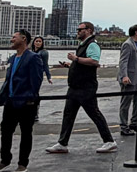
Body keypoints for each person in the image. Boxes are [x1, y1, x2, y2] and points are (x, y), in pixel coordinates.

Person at [45, 21, 116, 154]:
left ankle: (109, 141)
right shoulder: (83, 45)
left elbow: (94, 61)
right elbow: (84, 63)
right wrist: (71, 65)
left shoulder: (92, 45)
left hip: (85, 87)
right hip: (75, 87)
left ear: (88, 31)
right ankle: (62, 143)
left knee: (94, 113)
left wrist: (75, 59)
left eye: (80, 29)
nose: (77, 32)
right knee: (68, 115)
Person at [0, 31, 49, 172]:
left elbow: (36, 80)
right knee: (6, 131)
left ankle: (22, 163)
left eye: (14, 37)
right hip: (11, 101)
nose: (11, 39)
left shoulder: (33, 58)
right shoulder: (13, 58)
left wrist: (31, 98)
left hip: (26, 102)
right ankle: (5, 160)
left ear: (23, 39)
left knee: (26, 133)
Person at [118, 25, 137, 136]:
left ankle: (134, 123)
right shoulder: (128, 44)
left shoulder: (135, 45)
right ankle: (123, 126)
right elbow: (123, 62)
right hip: (129, 79)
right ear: (136, 33)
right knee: (126, 103)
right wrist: (124, 76)